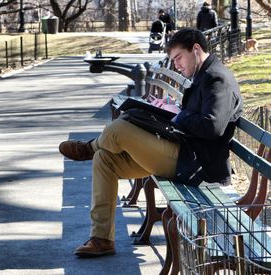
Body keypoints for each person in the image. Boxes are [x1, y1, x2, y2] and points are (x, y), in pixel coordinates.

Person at [59, 28, 243, 257]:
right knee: (104, 159)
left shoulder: (217, 78)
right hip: (182, 154)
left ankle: (89, 147)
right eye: (174, 60)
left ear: (195, 49)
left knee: (119, 129)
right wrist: (170, 112)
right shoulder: (204, 76)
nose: (176, 65)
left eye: (178, 58)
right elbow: (194, 119)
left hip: (196, 165)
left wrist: (179, 115)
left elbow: (212, 127)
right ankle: (102, 238)